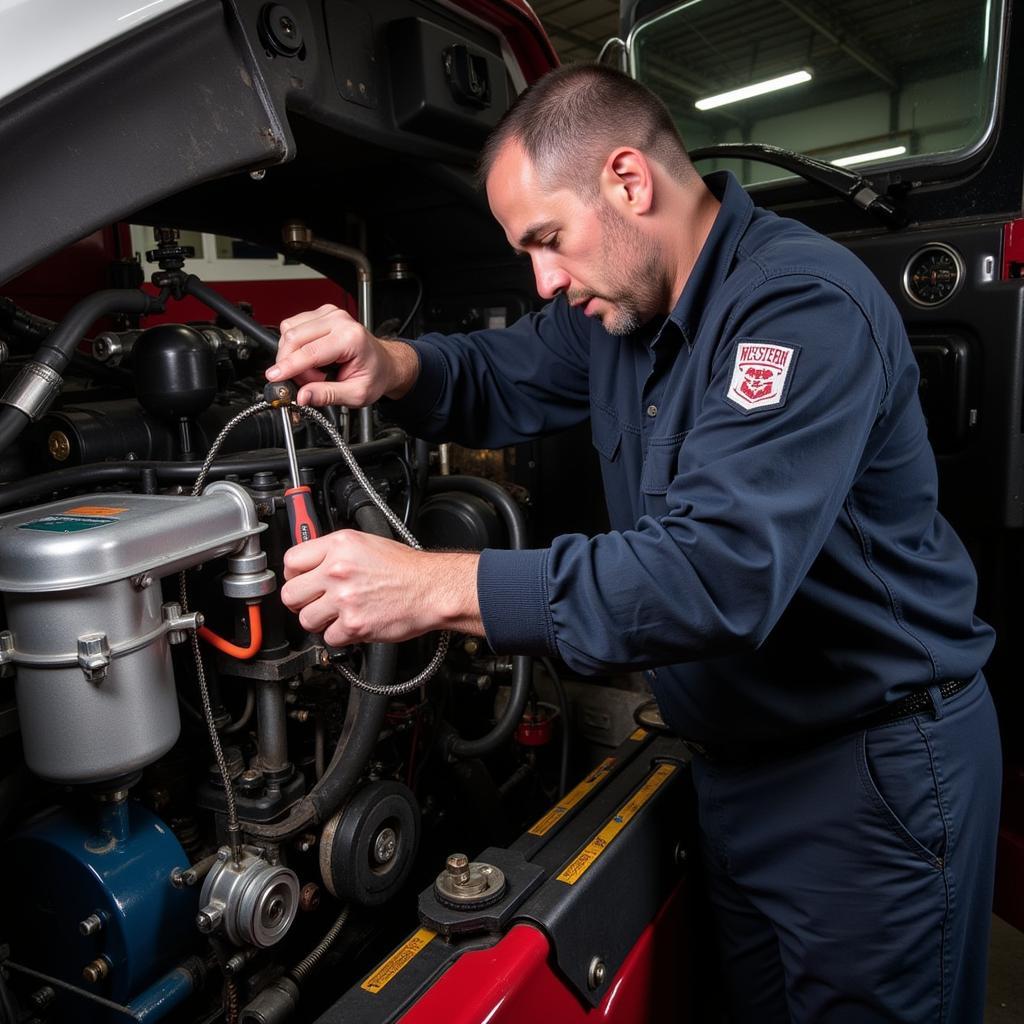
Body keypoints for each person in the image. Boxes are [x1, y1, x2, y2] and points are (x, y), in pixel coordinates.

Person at [266, 64, 1001, 1023]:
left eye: (547, 241)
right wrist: (391, 361)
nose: (543, 280)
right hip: (737, 769)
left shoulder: (799, 308)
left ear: (627, 181)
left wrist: (429, 587)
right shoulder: (621, 312)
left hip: (869, 780)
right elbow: (503, 369)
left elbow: (712, 576)